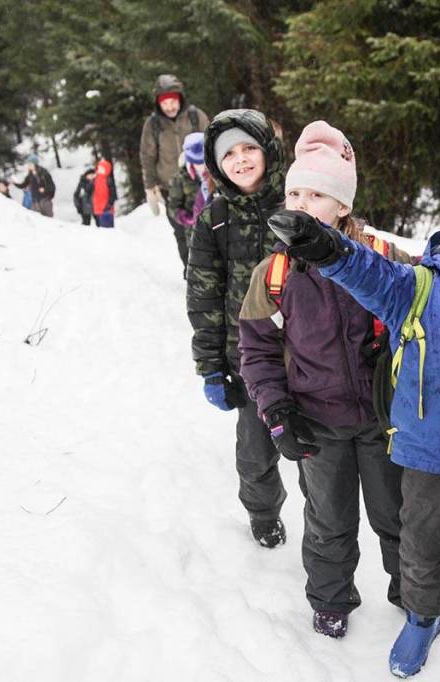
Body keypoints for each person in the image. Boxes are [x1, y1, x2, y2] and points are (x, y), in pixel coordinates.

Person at [268, 180, 440, 680]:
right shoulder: (418, 286)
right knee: (421, 546)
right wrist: (327, 247)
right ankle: (423, 617)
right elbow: (365, 271)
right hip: (425, 452)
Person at [239, 121, 409, 640]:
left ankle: (414, 595)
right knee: (329, 521)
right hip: (317, 423)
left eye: (316, 193)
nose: (302, 203)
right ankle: (331, 600)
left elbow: (425, 312)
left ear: (342, 205)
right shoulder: (275, 273)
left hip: (384, 422)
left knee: (397, 517)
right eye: (294, 192)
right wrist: (277, 412)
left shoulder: (382, 258)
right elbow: (257, 349)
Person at [186, 109, 289, 549]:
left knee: (319, 459)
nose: (242, 159)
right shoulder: (215, 219)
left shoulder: (297, 204)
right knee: (254, 453)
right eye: (230, 153)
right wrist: (211, 366)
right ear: (216, 164)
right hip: (247, 360)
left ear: (267, 151)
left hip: (309, 358)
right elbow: (203, 298)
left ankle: (328, 529)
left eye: (250, 148)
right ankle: (264, 515)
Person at [139, 74, 209, 218]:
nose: (169, 107)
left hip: (199, 183)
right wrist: (150, 187)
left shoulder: (195, 117)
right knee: (180, 230)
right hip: (169, 187)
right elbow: (148, 156)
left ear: (180, 99)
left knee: (203, 229)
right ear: (158, 104)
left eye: (173, 102)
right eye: (165, 103)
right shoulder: (153, 125)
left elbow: (212, 144)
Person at [167, 132, 215, 267]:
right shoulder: (181, 178)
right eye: (197, 163)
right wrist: (184, 218)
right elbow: (173, 206)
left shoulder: (218, 173)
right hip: (194, 232)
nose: (201, 167)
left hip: (217, 228)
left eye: (203, 162)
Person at [91, 158, 117, 228]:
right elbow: (89, 190)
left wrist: (109, 204)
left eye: (102, 169)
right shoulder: (94, 180)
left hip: (107, 209)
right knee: (102, 231)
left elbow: (113, 194)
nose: (100, 170)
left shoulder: (108, 180)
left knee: (108, 230)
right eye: (99, 168)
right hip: (98, 209)